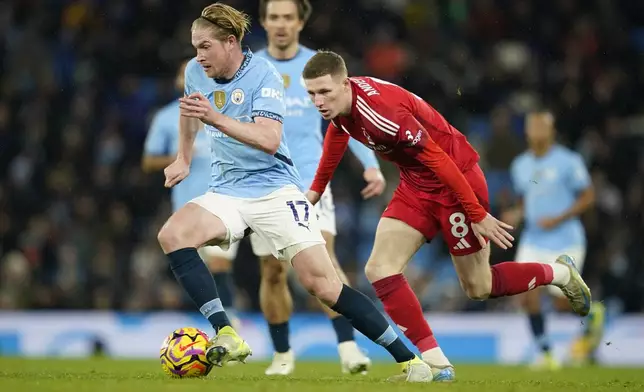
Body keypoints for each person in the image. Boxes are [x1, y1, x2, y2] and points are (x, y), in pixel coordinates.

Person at [157, 3, 432, 382]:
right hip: (227, 190)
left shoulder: (264, 76)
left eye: (205, 46)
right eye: (195, 47)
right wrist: (183, 158)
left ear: (230, 42)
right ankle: (226, 332)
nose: (198, 55)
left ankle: (409, 360)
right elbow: (189, 112)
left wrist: (215, 117)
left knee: (323, 285)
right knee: (173, 234)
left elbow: (269, 140)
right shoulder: (194, 71)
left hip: (275, 191)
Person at [301, 50, 593, 381]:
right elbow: (338, 133)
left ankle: (559, 274)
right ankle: (435, 365)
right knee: (379, 268)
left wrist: (476, 213)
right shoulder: (342, 107)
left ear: (345, 83)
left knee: (479, 286)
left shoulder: (383, 113)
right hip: (416, 183)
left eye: (324, 92)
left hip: (455, 180)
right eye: (311, 93)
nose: (318, 101)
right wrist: (315, 190)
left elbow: (440, 160)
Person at [254, 0, 383, 375]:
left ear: (300, 22)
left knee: (324, 260)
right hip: (263, 185)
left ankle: (348, 349)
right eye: (273, 17)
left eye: (287, 17)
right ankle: (282, 355)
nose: (280, 24)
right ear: (263, 22)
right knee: (272, 272)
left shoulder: (320, 69)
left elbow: (349, 120)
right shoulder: (250, 71)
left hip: (311, 183)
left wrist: (371, 166)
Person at [142, 60, 240, 328]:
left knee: (220, 263)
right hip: (186, 204)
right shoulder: (165, 117)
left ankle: (228, 322)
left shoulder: (224, 111)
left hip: (224, 203)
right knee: (197, 267)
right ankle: (218, 322)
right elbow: (148, 162)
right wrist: (179, 156)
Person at [504, 111, 604, 369]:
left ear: (552, 131)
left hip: (565, 239)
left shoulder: (569, 161)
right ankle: (546, 353)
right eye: (532, 126)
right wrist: (516, 214)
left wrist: (559, 217)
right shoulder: (519, 165)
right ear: (526, 132)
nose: (536, 131)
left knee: (562, 302)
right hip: (533, 240)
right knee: (527, 294)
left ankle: (593, 315)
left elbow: (588, 196)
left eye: (542, 126)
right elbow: (525, 201)